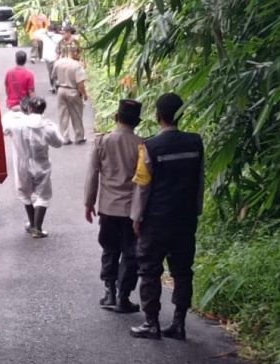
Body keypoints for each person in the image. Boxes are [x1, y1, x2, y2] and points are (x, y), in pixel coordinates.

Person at [129, 93, 204, 340]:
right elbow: (199, 181)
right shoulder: (195, 143)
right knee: (182, 271)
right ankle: (179, 323)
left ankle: (152, 323)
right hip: (185, 219)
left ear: (158, 116)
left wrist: (136, 218)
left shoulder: (149, 147)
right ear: (180, 114)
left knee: (150, 270)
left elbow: (142, 186)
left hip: (156, 221)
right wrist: (197, 209)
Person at [84, 99, 144, 313]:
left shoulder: (102, 142)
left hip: (108, 208)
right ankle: (123, 296)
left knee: (110, 248)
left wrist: (89, 202)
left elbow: (92, 175)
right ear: (137, 121)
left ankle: (109, 291)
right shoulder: (141, 145)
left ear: (116, 118)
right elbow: (144, 182)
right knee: (130, 253)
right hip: (131, 210)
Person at [3, 96, 64, 238]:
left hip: (22, 164)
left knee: (25, 193)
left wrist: (15, 112)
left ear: (29, 108)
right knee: (43, 195)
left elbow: (5, 127)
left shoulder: (17, 124)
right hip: (41, 164)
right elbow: (59, 143)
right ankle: (37, 228)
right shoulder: (48, 127)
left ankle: (31, 223)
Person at [52, 47, 88, 144]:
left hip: (61, 90)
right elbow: (80, 83)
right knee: (76, 114)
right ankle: (79, 136)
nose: (79, 55)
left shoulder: (58, 62)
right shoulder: (76, 65)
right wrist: (84, 94)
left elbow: (53, 77)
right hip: (73, 91)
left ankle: (64, 137)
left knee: (63, 114)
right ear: (74, 53)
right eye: (78, 53)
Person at [38, 24, 62, 93]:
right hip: (57, 56)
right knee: (57, 71)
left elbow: (35, 35)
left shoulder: (44, 36)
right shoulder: (59, 36)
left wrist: (44, 30)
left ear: (48, 29)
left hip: (48, 57)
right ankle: (57, 82)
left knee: (50, 72)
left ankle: (52, 86)